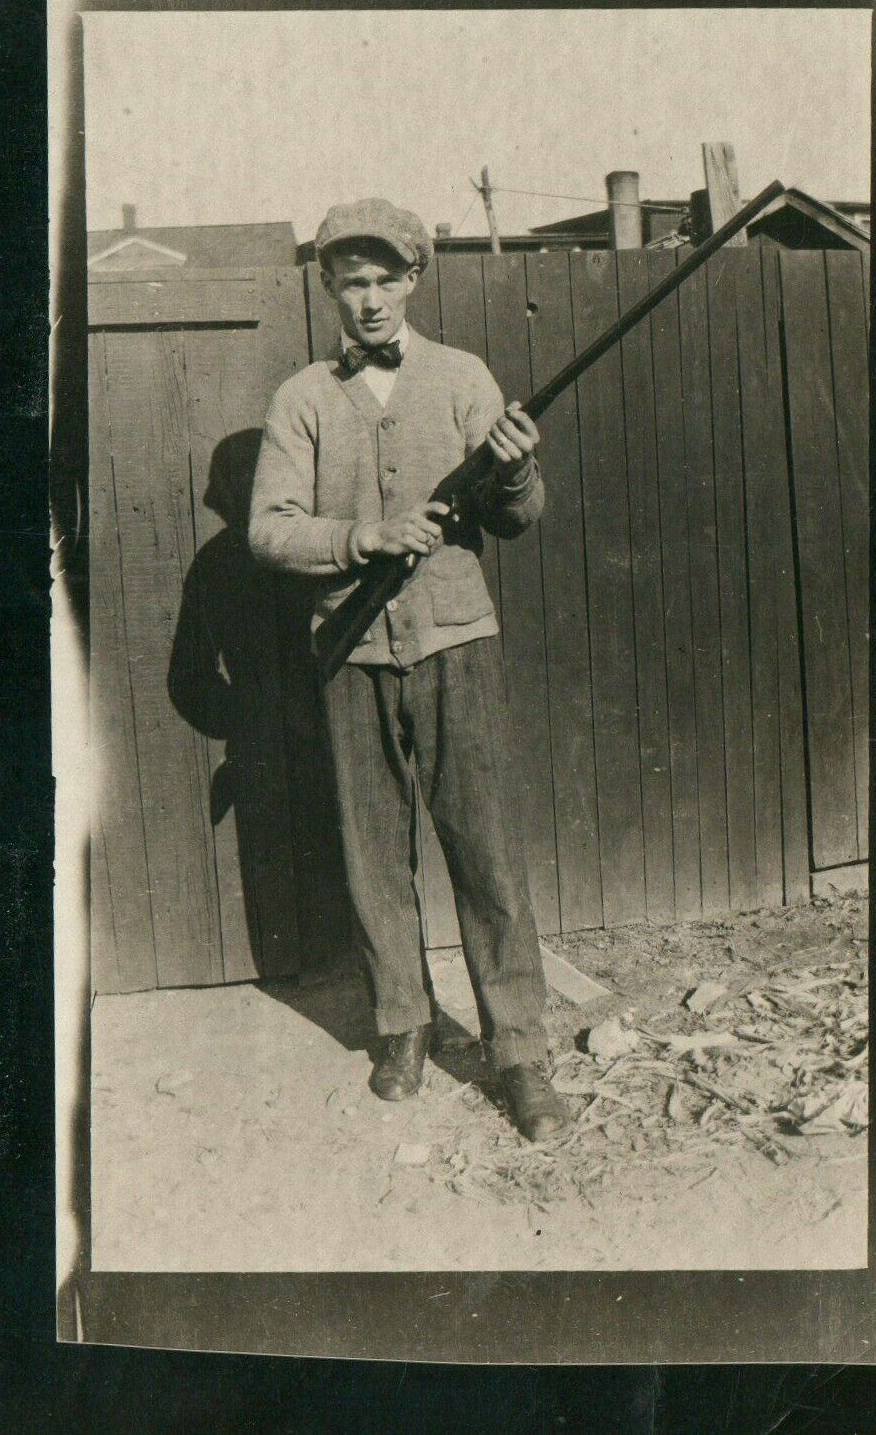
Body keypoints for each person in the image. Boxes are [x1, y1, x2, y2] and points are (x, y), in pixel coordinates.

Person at [248, 198, 569, 1141]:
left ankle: (518, 1052)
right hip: (348, 655)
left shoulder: (463, 376)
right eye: (352, 281)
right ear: (329, 289)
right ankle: (402, 1027)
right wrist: (362, 537)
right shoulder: (302, 398)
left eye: (387, 278)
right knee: (372, 855)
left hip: (454, 643)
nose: (371, 298)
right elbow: (268, 530)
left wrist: (511, 470)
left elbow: (521, 515)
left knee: (485, 852)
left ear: (414, 280)